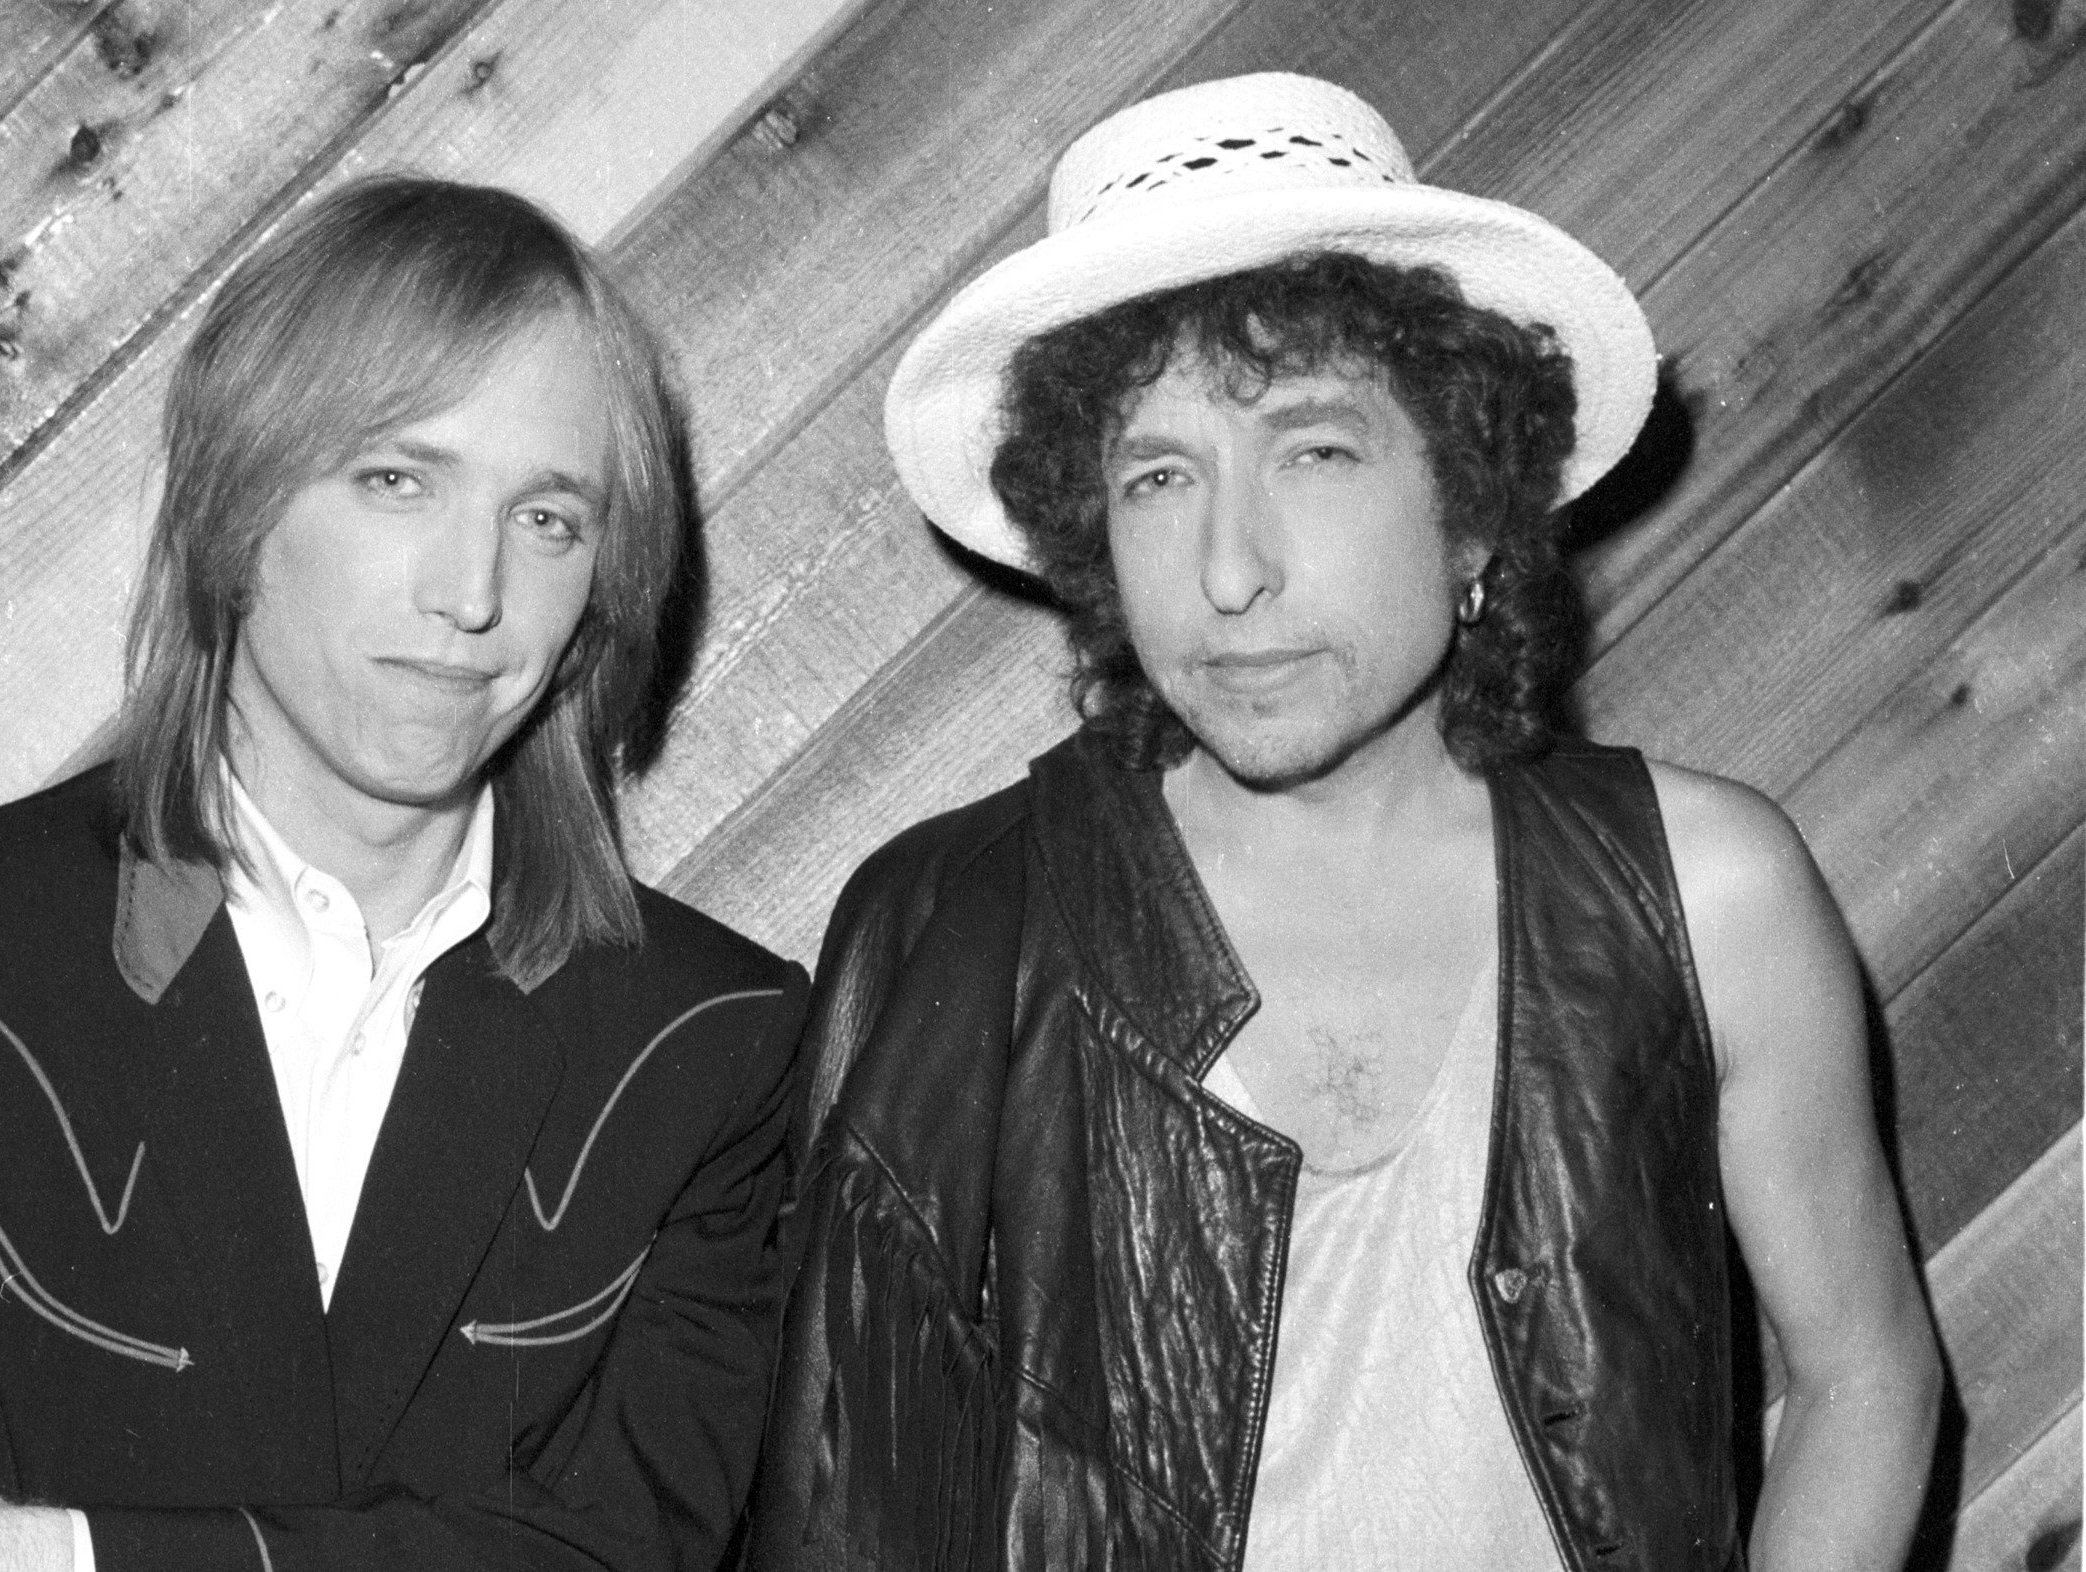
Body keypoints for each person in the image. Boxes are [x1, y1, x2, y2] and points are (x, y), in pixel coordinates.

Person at [744, 73, 1940, 1571]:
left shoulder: (1701, 893)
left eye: (1314, 450)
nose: (1229, 568)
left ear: (1475, 505)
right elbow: (849, 1502)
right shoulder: (958, 922)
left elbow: (1863, 1374)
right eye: (1158, 475)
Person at [0, 178, 808, 1572]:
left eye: (548, 519)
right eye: (397, 480)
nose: (472, 595)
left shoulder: (711, 1041)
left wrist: (52, 1552)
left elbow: (619, 1554)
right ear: (237, 508)